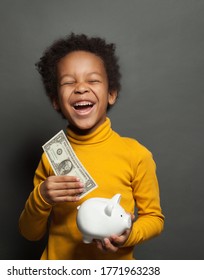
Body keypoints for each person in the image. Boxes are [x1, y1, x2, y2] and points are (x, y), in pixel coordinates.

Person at [19, 33, 164, 259]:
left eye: (93, 80)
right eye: (68, 82)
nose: (80, 88)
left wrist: (130, 234)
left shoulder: (136, 154)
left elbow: (154, 218)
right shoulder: (50, 157)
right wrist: (41, 197)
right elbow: (29, 233)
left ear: (111, 94)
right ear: (56, 100)